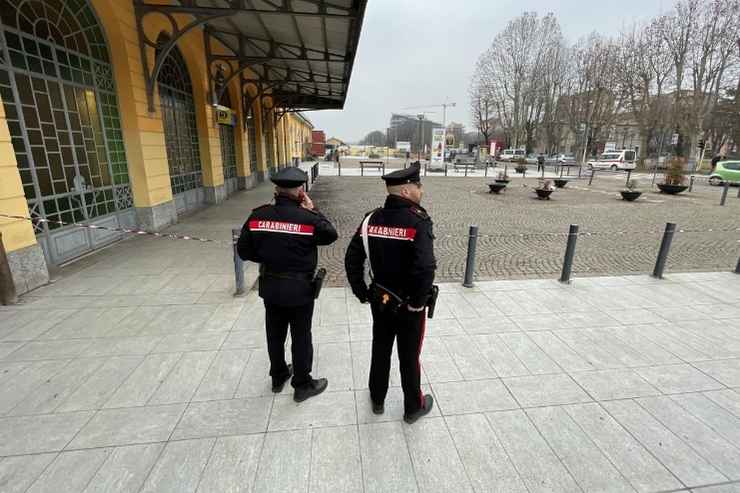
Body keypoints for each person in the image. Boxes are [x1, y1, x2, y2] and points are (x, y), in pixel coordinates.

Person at [344, 164, 437, 424]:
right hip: (409, 306)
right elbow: (425, 267)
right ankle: (412, 408)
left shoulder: (370, 219)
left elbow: (352, 258)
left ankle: (377, 399)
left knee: (381, 348)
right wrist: (418, 303)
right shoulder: (418, 221)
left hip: (380, 299)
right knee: (409, 356)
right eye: (418, 186)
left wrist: (363, 292)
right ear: (407, 190)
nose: (421, 189)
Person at [237, 167, 338, 402]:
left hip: (271, 285)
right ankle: (302, 384)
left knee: (274, 333)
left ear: (276, 190)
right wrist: (314, 209)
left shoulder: (258, 215)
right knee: (301, 335)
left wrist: (267, 256)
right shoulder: (309, 219)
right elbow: (330, 234)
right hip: (300, 290)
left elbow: (243, 250)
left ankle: (278, 375)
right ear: (301, 190)